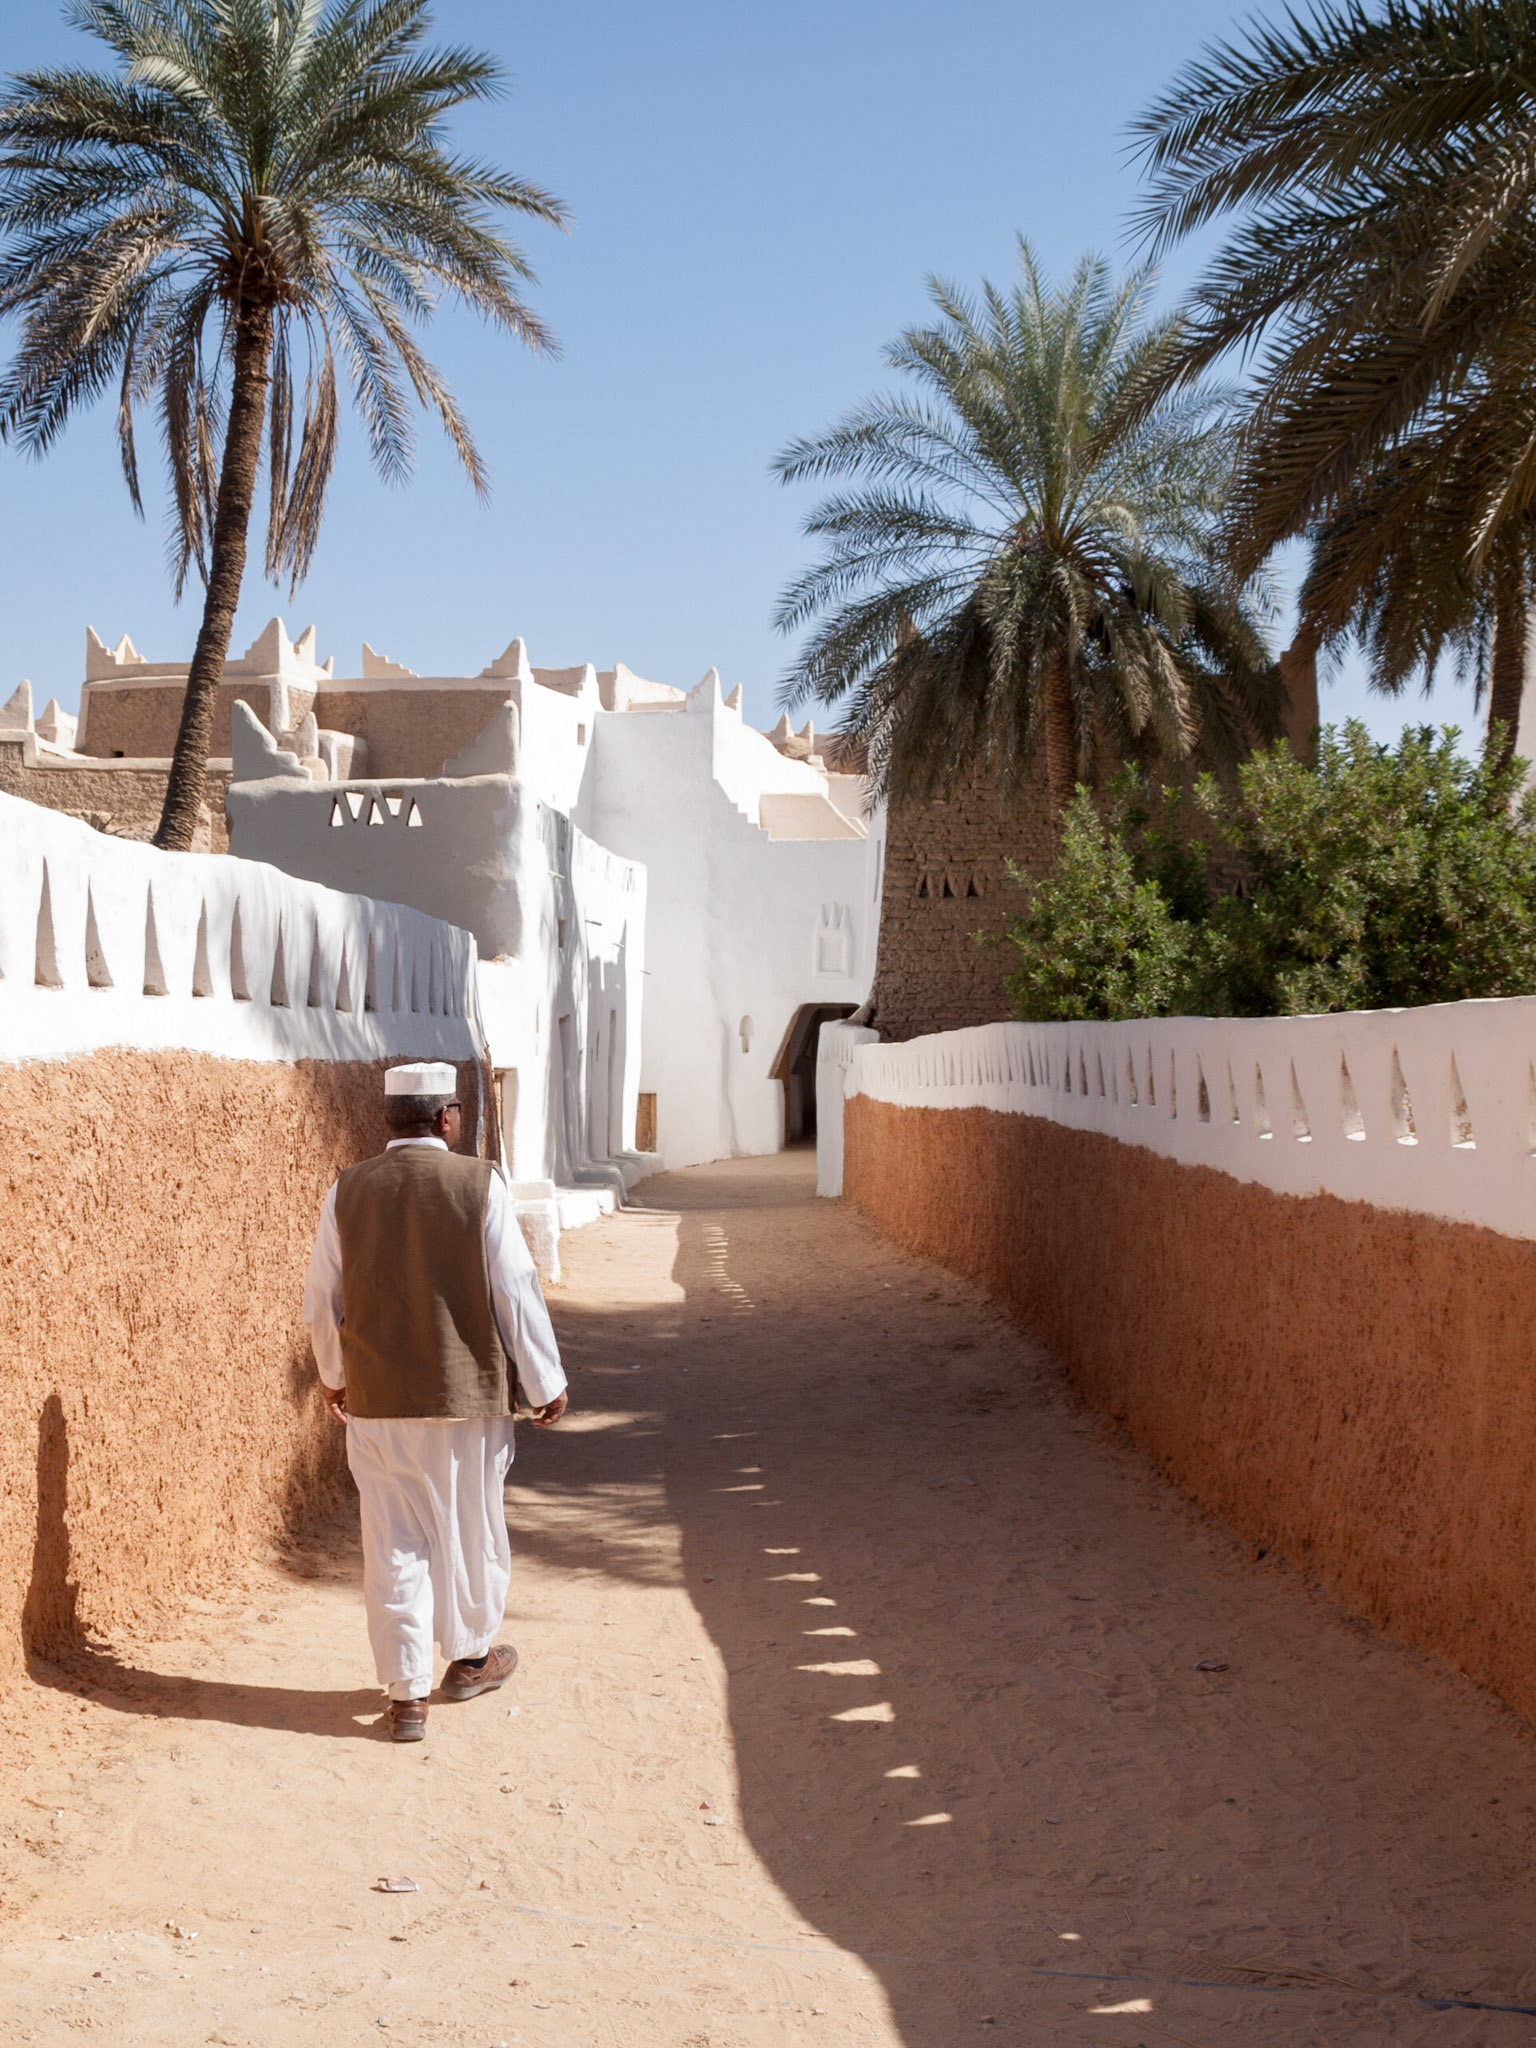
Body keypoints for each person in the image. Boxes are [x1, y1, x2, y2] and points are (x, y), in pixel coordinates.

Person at [303, 1061, 568, 1742]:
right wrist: (545, 1381)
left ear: (388, 1119)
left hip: (377, 1404)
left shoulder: (347, 1190)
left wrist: (334, 1376)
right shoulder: (480, 1184)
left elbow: (321, 1301)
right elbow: (514, 1289)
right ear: (447, 1118)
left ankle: (406, 1695)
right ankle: (472, 1660)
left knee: (391, 1541)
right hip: (464, 1399)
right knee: (469, 1528)